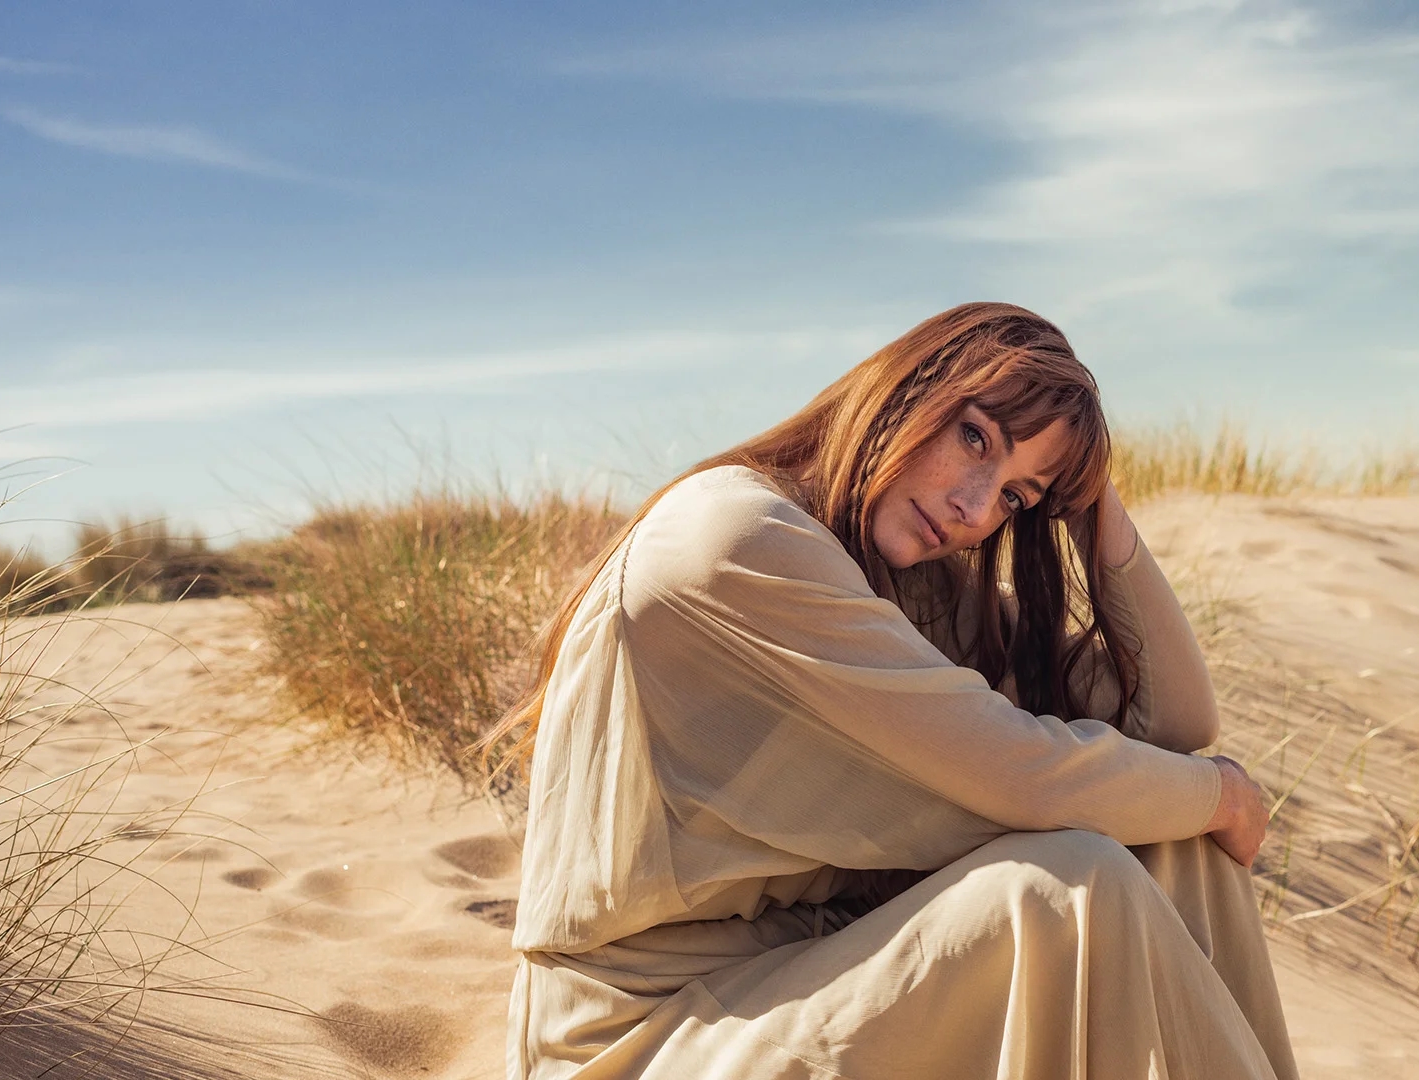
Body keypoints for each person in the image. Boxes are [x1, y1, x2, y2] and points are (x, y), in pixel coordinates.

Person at [481, 302, 1302, 1079]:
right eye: (975, 439)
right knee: (1066, 890)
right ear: (906, 387)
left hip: (812, 967)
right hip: (642, 1036)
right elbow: (1019, 770)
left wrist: (1088, 501)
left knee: (1176, 845)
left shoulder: (912, 583)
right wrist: (1222, 796)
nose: (977, 507)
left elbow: (1170, 719)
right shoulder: (737, 540)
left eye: (1018, 495)